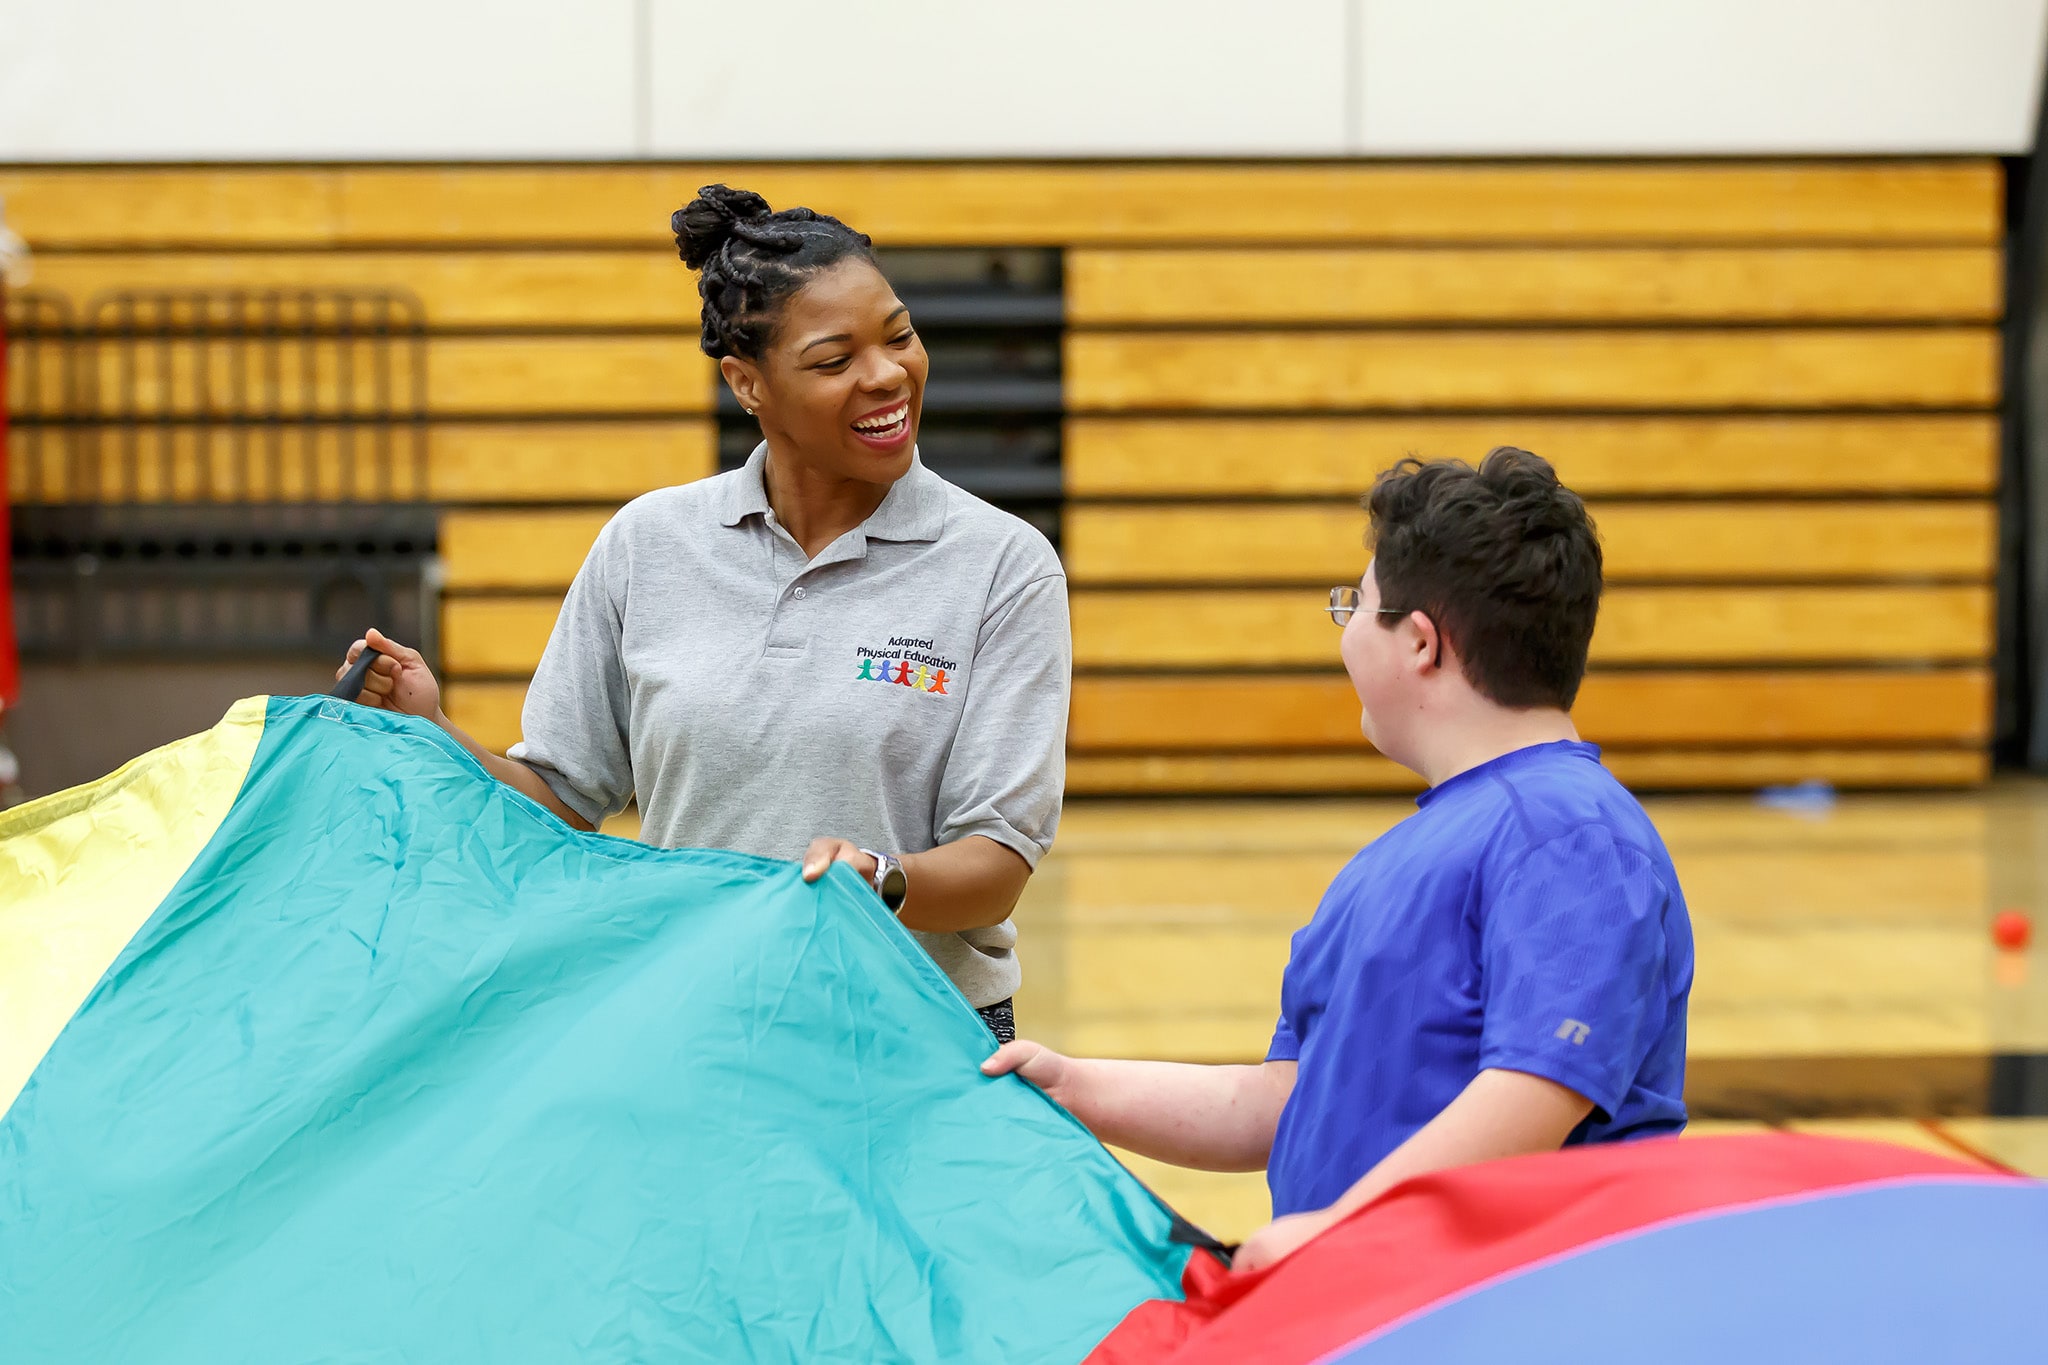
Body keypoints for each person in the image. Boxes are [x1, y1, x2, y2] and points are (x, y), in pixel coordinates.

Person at [338, 185, 1071, 1043]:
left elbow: (996, 863)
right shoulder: (648, 543)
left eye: (900, 335)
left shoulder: (1001, 565)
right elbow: (562, 799)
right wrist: (433, 729)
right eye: (835, 360)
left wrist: (878, 877)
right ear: (745, 382)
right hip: (698, 1029)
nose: (887, 374)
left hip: (918, 1038)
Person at [984, 448, 1694, 1270]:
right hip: (1370, 1299)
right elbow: (1283, 1102)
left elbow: (1534, 1093)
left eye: (1355, 604)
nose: (1346, 627)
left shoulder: (1572, 832)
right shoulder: (1400, 857)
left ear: (1421, 643)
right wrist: (1073, 1087)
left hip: (1502, 1308)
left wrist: (1340, 1231)